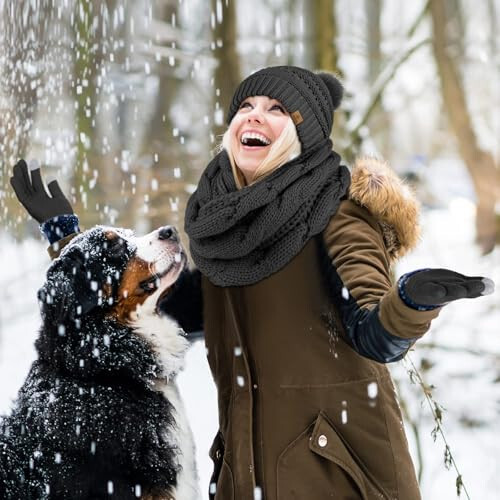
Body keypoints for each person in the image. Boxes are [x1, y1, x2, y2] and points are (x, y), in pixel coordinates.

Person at [11, 65, 494, 500]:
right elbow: (141, 308)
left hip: (336, 479)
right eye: (245, 106)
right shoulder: (227, 233)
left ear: (304, 134)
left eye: (277, 108)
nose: (254, 116)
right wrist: (72, 246)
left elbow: (374, 333)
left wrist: (408, 303)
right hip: (248, 478)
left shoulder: (339, 215)